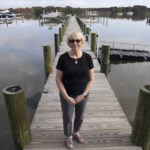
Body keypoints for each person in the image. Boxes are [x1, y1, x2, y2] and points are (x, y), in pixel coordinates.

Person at [56, 31, 94, 149]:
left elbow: (91, 80)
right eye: (72, 41)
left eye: (77, 40)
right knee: (67, 116)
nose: (75, 43)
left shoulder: (87, 58)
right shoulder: (63, 58)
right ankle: (68, 136)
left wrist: (83, 94)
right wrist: (66, 96)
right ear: (68, 42)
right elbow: (58, 80)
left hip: (83, 94)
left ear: (82, 42)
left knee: (80, 115)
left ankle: (76, 132)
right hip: (67, 93)